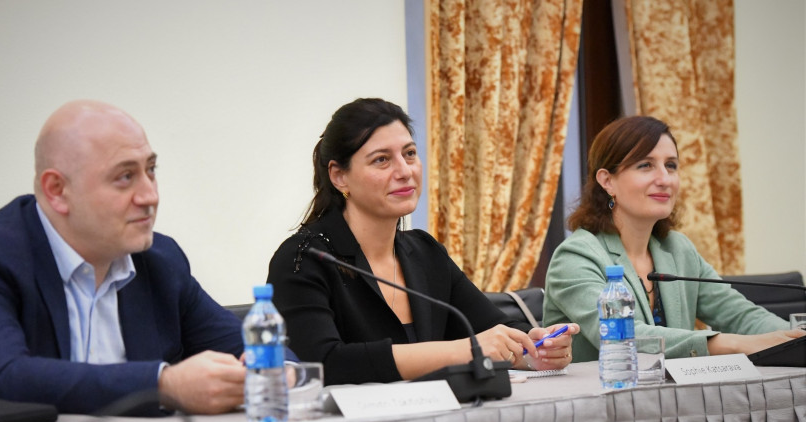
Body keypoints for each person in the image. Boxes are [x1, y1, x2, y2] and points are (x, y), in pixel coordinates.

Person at [0, 100, 292, 415]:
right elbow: (5, 379)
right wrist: (163, 384)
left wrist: (280, 370)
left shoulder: (160, 261)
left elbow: (264, 350)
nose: (149, 196)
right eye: (125, 177)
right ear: (57, 191)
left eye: (151, 170)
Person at [267, 98, 578, 386]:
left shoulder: (424, 252)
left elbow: (490, 327)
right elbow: (322, 365)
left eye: (410, 154)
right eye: (381, 160)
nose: (405, 172)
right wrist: (466, 350)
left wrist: (536, 347)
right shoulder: (303, 259)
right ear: (339, 177)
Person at [543, 115, 803, 361]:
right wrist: (729, 344)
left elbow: (740, 316)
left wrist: (796, 339)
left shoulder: (678, 249)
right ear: (607, 181)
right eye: (645, 165)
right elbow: (622, 338)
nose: (664, 179)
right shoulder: (575, 257)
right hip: (603, 402)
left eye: (671, 165)